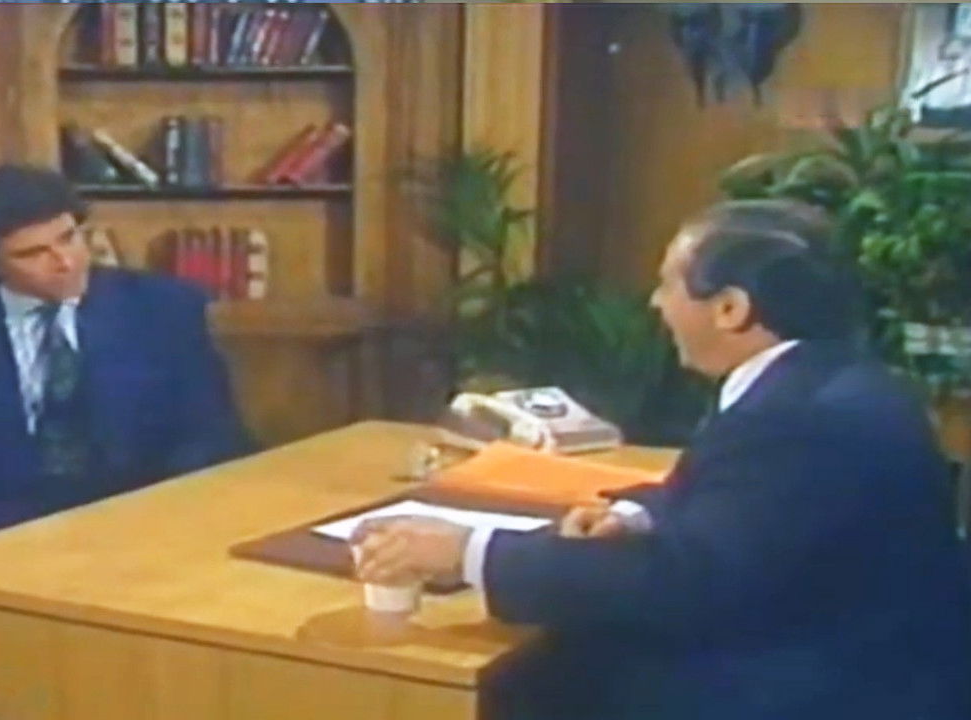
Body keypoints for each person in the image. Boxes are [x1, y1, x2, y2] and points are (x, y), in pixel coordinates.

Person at [353, 199, 971, 719]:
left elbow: (685, 584)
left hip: (819, 690)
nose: (655, 303)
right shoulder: (829, 379)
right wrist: (636, 515)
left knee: (530, 677)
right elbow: (740, 513)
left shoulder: (792, 419)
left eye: (669, 284)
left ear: (730, 308)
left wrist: (467, 553)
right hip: (871, 661)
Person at [0, 164, 252, 548]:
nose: (66, 262)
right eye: (33, 254)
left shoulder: (164, 308)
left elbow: (210, 431)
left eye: (68, 238)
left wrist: (169, 519)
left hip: (145, 522)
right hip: (5, 535)